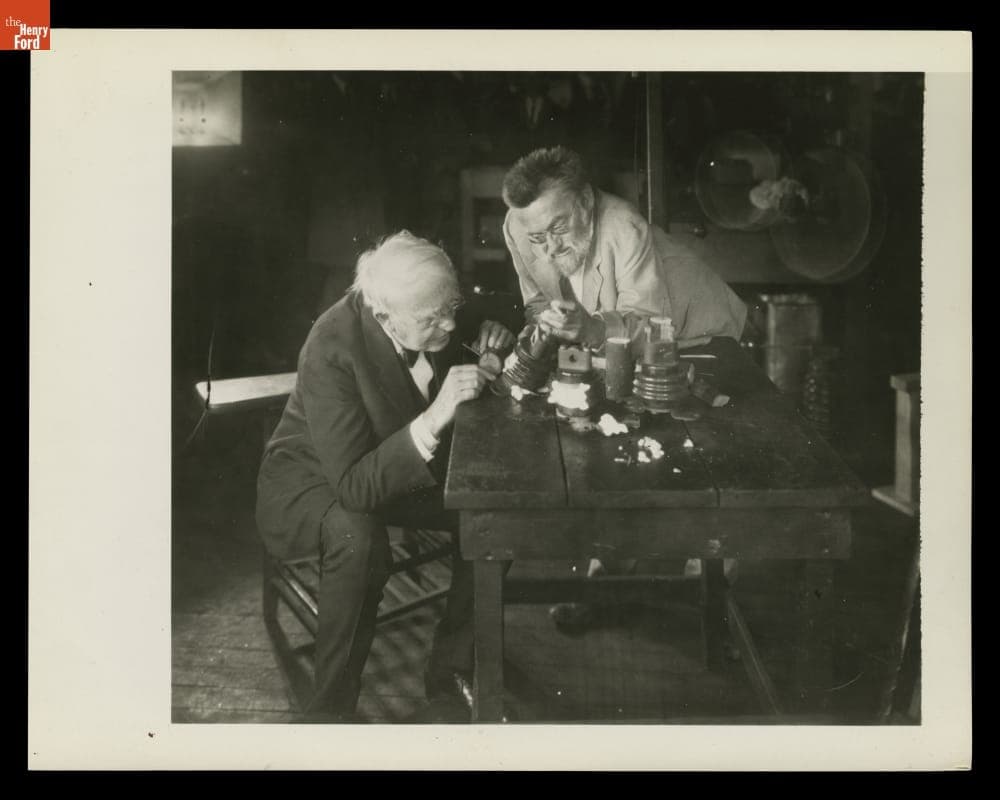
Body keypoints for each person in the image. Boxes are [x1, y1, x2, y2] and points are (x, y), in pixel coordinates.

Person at [255, 231, 514, 721]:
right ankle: (328, 713)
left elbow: (472, 314)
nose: (451, 323)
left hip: (386, 464)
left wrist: (495, 330)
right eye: (432, 319)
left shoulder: (423, 307)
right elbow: (353, 486)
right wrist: (436, 416)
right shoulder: (331, 347)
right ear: (383, 317)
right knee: (360, 536)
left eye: (452, 306)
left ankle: (450, 669)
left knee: (494, 515)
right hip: (313, 482)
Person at [500, 146, 747, 631]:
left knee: (685, 451)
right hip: (609, 335)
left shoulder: (624, 228)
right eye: (537, 237)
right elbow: (536, 302)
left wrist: (588, 329)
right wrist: (548, 325)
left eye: (558, 230)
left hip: (696, 334)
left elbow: (650, 324)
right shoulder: (518, 226)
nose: (547, 248)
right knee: (611, 445)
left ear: (587, 205)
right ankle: (606, 581)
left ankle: (707, 592)